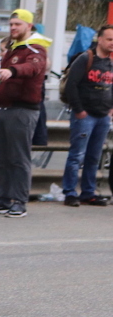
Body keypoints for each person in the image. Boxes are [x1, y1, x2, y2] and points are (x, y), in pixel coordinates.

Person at [0, 9, 49, 217]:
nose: (12, 28)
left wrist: (13, 71)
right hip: (2, 108)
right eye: (11, 24)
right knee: (0, 156)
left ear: (29, 26)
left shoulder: (35, 49)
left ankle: (19, 200)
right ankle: (3, 198)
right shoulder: (12, 48)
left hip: (22, 110)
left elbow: (32, 68)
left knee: (19, 158)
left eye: (17, 24)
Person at [60, 23, 113, 207]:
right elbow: (71, 85)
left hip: (103, 116)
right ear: (99, 39)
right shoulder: (86, 58)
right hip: (85, 115)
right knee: (77, 155)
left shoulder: (110, 62)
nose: (112, 43)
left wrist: (110, 108)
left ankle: (88, 192)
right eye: (109, 39)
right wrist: (79, 111)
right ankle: (69, 192)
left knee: (94, 156)